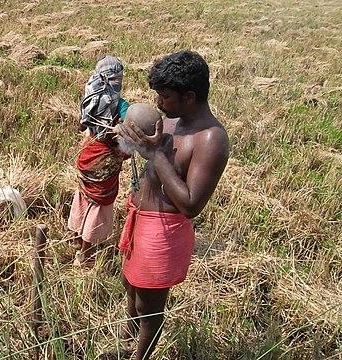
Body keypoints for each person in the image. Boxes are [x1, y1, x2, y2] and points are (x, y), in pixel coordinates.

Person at [113, 50, 229, 359]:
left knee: (149, 307)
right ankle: (128, 333)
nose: (159, 104)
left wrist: (155, 154)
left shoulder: (210, 139)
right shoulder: (174, 119)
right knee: (130, 284)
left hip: (162, 232)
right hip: (139, 217)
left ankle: (139, 355)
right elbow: (153, 159)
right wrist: (129, 141)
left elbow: (191, 205)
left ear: (189, 96)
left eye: (165, 97)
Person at [67, 55, 130, 267]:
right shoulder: (120, 105)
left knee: (84, 197)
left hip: (86, 158)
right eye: (117, 78)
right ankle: (86, 255)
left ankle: (76, 241)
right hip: (103, 163)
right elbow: (125, 131)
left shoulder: (91, 98)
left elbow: (81, 127)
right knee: (100, 204)